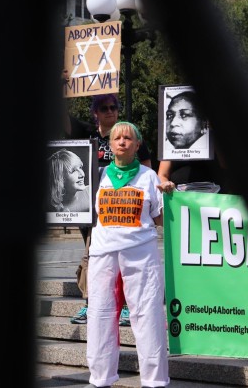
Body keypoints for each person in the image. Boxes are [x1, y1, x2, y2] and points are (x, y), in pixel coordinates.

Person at [84, 121, 174, 388]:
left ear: (137, 145)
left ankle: (155, 381)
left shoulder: (149, 177)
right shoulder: (96, 176)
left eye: (128, 138)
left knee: (148, 316)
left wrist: (170, 195)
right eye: (117, 138)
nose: (122, 141)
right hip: (103, 254)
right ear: (110, 146)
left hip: (141, 254)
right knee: (100, 315)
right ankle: (101, 379)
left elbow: (159, 221)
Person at [70, 93, 152, 326]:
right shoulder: (86, 134)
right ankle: (90, 303)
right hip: (92, 207)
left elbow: (146, 171)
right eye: (104, 108)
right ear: (95, 112)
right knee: (91, 255)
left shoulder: (129, 134)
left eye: (114, 107)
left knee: (122, 256)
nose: (110, 111)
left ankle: (124, 305)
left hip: (123, 207)